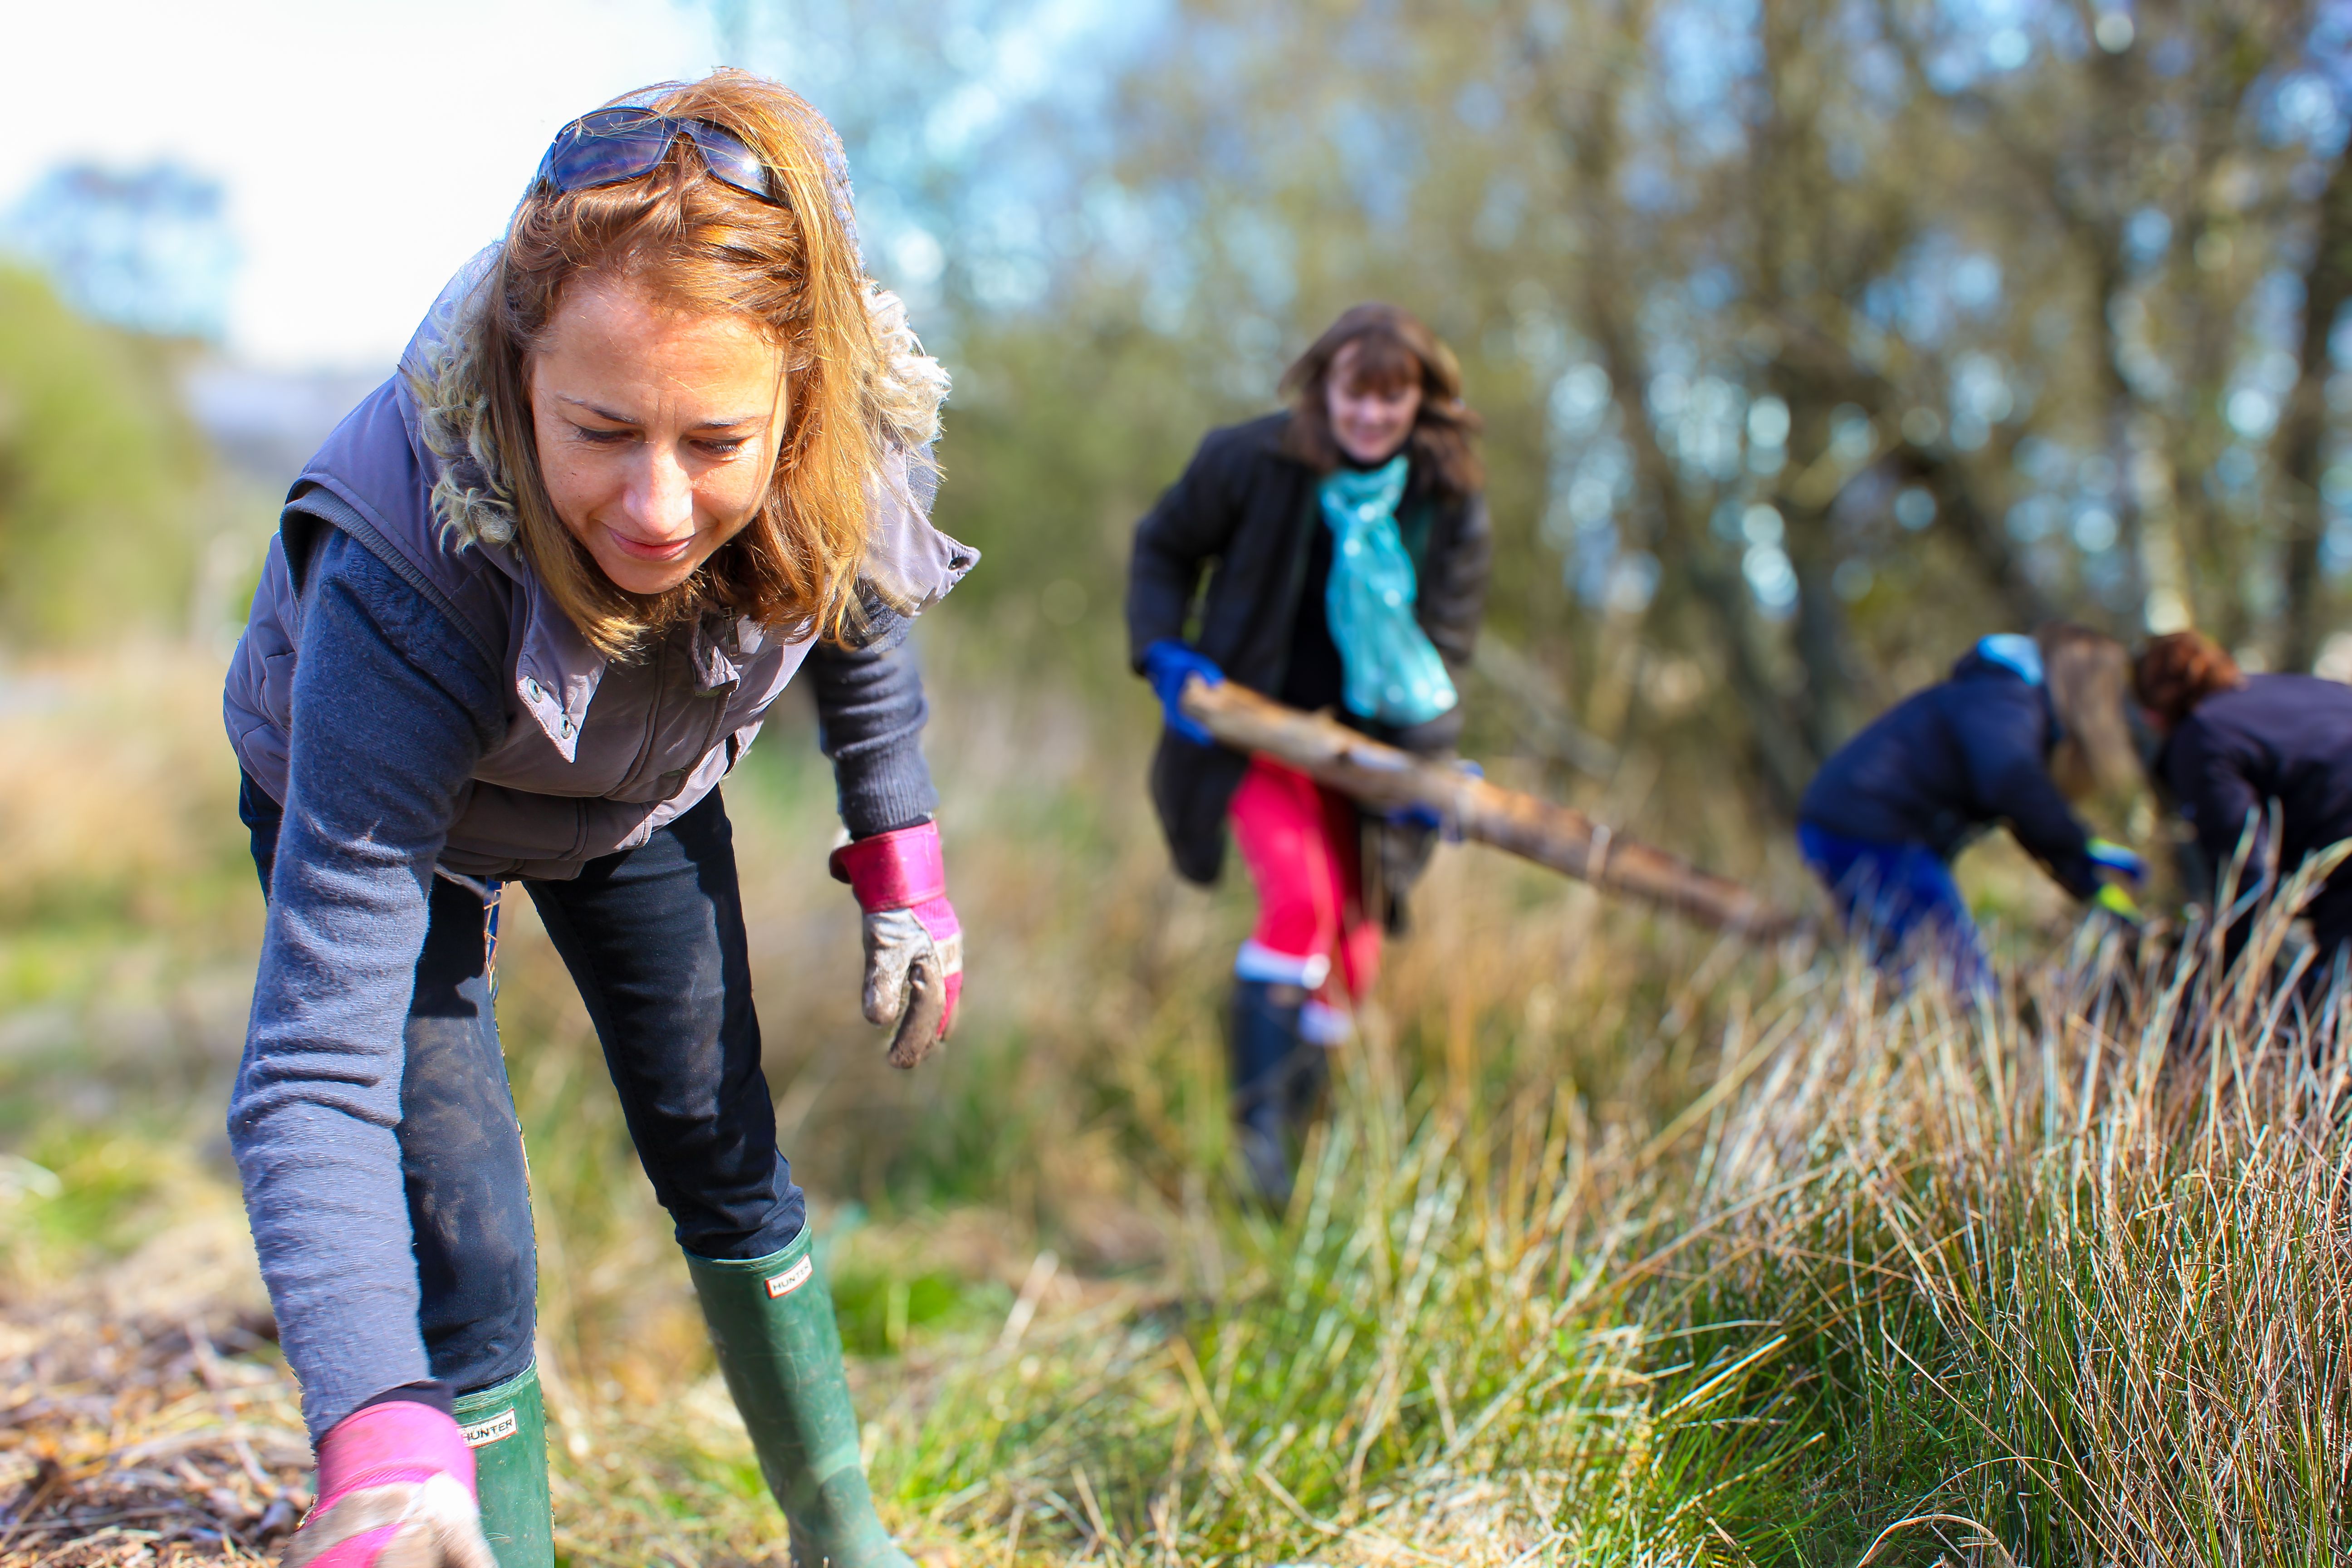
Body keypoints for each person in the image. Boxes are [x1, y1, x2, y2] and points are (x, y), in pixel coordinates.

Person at [220, 74, 974, 1568]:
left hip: (637, 796)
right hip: (400, 813)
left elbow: (861, 601)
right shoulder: (403, 567)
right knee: (472, 1241)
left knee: (721, 1137)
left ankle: (842, 1534)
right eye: (599, 429)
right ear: (517, 379)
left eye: (713, 444)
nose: (652, 506)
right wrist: (372, 1423)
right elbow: (313, 1063)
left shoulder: (846, 431)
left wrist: (901, 853)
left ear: (801, 407)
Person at [1126, 304, 1491, 1205]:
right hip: (1255, 729)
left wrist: (1426, 775)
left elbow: (1443, 651)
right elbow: (1163, 548)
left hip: (1371, 752)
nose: (1370, 417)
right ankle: (1259, 1146)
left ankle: (1310, 1151)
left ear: (1422, 402)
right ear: (1324, 389)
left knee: (1355, 949)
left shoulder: (1448, 503)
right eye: (1353, 395)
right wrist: (1167, 652)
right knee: (1302, 902)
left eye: (1391, 398)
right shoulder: (1251, 461)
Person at [1796, 624, 2146, 990]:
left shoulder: (2003, 699)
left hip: (1845, 824)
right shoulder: (2004, 699)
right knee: (1960, 984)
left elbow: (2022, 809)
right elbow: (2013, 784)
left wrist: (2087, 877)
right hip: (1869, 829)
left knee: (1910, 973)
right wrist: (2080, 846)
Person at [2136, 629, 2352, 985]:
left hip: (2343, 843)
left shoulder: (2201, 736)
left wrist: (2228, 975)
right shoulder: (2297, 688)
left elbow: (2247, 872)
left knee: (2332, 1002)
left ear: (2153, 713)